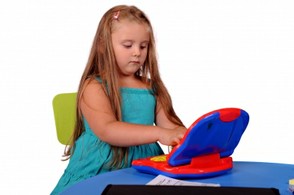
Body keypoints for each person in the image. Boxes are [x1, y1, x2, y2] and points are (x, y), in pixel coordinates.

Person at [51, 5, 187, 194]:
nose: (137, 52)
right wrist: (159, 133)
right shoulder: (94, 86)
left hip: (143, 170)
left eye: (143, 46)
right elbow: (107, 129)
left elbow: (170, 127)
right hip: (100, 169)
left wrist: (184, 135)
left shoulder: (151, 87)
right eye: (128, 45)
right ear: (103, 44)